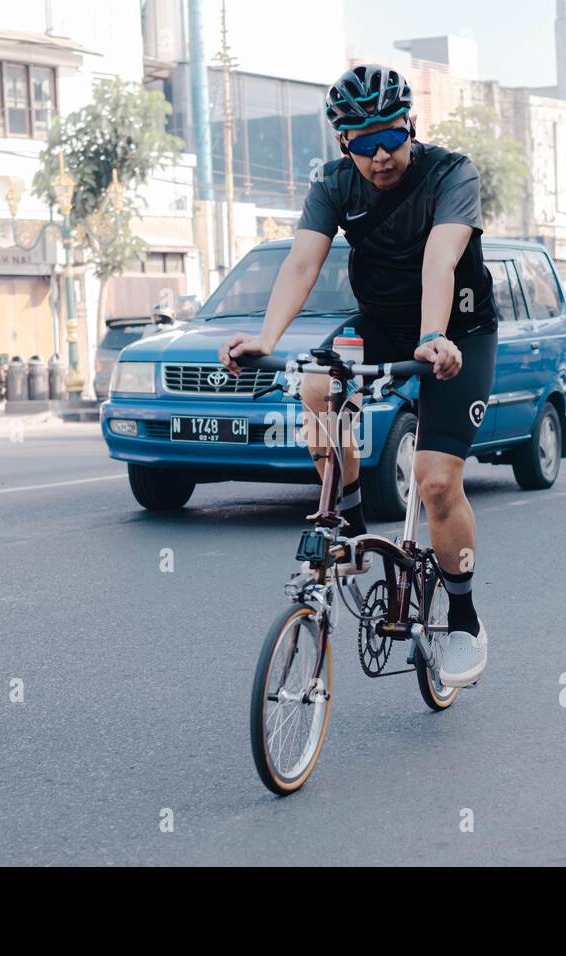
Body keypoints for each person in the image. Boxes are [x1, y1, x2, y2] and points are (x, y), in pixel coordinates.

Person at [217, 64, 497, 688]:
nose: (379, 156)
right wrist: (265, 339)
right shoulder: (334, 183)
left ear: (411, 127)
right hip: (380, 322)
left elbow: (440, 257)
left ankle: (465, 618)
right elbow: (301, 263)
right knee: (316, 382)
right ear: (343, 143)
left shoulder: (452, 172)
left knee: (435, 483)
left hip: (458, 333)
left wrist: (433, 337)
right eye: (361, 143)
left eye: (390, 138)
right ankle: (349, 520)